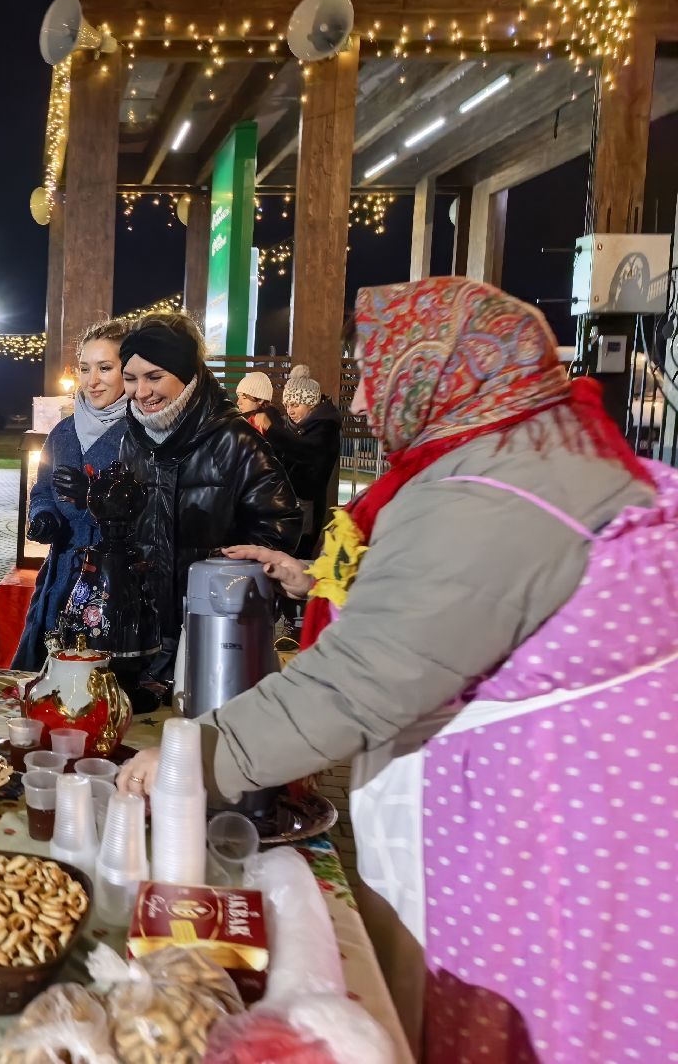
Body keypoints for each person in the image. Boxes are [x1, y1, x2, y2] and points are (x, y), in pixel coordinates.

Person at [118, 278, 677, 1062]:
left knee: (508, 1021)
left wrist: (193, 755)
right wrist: (312, 576)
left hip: (529, 838)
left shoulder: (491, 494)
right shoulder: (536, 448)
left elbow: (360, 679)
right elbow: (444, 605)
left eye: (379, 374)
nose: (371, 401)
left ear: (439, 372)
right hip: (577, 803)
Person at [59, 312, 300, 687]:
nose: (142, 392)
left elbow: (280, 524)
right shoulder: (132, 438)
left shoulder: (234, 440)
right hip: (146, 633)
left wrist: (222, 566)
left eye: (155, 377)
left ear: (186, 373)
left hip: (216, 628)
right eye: (131, 378)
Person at [13, 320, 130, 671]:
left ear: (129, 370)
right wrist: (43, 517)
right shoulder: (63, 432)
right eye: (85, 368)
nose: (92, 380)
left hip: (110, 584)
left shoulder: (139, 434)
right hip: (60, 574)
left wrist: (95, 496)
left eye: (105, 368)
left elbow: (149, 509)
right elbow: (43, 487)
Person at [262, 364, 343, 557]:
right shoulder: (292, 424)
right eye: (287, 405)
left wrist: (271, 430)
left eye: (296, 405)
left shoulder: (325, 427)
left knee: (301, 555)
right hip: (285, 503)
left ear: (312, 404)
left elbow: (304, 451)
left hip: (307, 504)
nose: (290, 410)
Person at [234, 370, 284, 434]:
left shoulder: (269, 422)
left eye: (244, 398)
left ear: (260, 400)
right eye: (238, 397)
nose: (238, 402)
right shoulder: (241, 420)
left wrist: (270, 428)